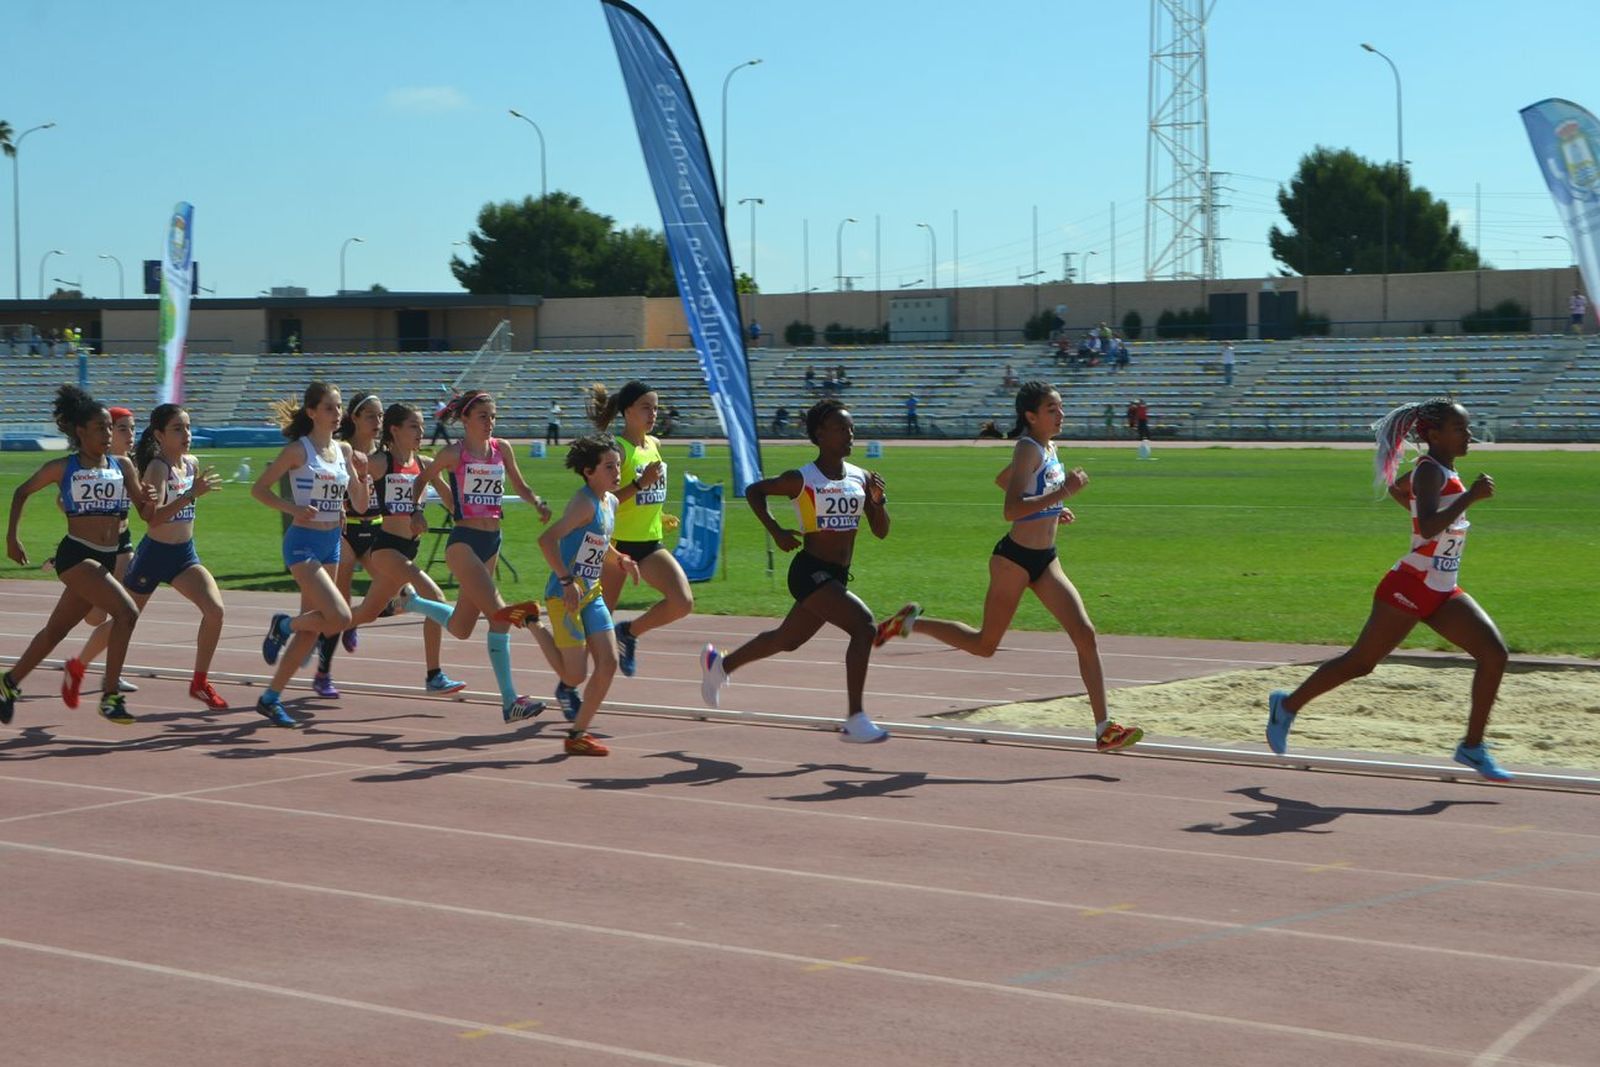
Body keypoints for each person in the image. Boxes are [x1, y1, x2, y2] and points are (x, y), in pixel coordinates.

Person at [874, 381, 1143, 753]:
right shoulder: (1027, 447)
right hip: (1014, 560)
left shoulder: (1048, 447)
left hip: (1046, 559)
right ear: (1031, 417)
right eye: (1052, 409)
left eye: (1060, 408)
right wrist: (1063, 493)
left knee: (1085, 633)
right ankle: (908, 622)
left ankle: (1104, 729)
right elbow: (1011, 509)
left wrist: (1051, 508)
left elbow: (1007, 482)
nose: (1061, 414)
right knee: (985, 645)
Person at [1267, 399, 1514, 781]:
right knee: (1362, 663)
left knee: (1494, 654)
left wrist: (1432, 511)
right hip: (1411, 586)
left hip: (1441, 588)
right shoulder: (1431, 472)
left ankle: (1472, 747)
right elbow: (1430, 526)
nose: (1470, 435)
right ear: (1434, 435)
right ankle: (1287, 705)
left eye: (1467, 428)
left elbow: (1405, 496)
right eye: (1460, 429)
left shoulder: (1437, 469)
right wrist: (1470, 498)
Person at [699, 397, 896, 743]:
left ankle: (720, 666)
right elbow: (754, 491)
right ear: (819, 433)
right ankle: (855, 717)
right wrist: (775, 531)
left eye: (851, 428)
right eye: (840, 428)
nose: (849, 434)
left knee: (786, 640)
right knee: (864, 626)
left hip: (835, 576)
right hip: (809, 571)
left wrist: (877, 502)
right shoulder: (801, 479)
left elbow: (881, 532)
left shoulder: (861, 478)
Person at [401, 389, 552, 725]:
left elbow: (521, 484)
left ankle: (411, 604)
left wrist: (537, 502)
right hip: (464, 543)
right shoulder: (453, 454)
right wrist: (415, 511)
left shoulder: (502, 449)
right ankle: (510, 701)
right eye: (483, 416)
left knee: (462, 626)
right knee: (499, 616)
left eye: (493, 417)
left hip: (492, 541)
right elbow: (421, 480)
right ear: (465, 419)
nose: (489, 422)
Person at [2, 385, 149, 725]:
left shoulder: (123, 466)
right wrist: (12, 538)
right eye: (100, 428)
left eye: (110, 427)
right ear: (80, 431)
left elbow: (145, 512)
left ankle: (9, 682)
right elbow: (22, 491)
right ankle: (110, 696)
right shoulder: (62, 467)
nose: (107, 433)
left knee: (56, 631)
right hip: (76, 556)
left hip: (107, 556)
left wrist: (152, 499)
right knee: (126, 614)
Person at [81, 404, 229, 709]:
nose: (186, 434)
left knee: (215, 611)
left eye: (188, 427)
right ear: (160, 435)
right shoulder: (157, 468)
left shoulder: (191, 463)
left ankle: (200, 682)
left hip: (184, 555)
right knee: (126, 618)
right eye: (177, 428)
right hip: (154, 555)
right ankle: (79, 663)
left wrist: (192, 492)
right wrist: (191, 495)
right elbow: (153, 518)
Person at [513, 434, 641, 756]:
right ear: (589, 471)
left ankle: (577, 734)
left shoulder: (609, 502)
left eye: (618, 466)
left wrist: (621, 559)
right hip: (565, 593)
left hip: (591, 592)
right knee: (574, 674)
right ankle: (531, 620)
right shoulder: (583, 502)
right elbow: (547, 540)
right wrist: (567, 581)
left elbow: (600, 541)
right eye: (609, 467)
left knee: (608, 663)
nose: (617, 473)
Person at [250, 383, 369, 727]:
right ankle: (282, 624)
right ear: (312, 412)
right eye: (330, 408)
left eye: (339, 407)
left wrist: (360, 476)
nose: (337, 414)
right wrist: (292, 509)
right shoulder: (298, 452)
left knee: (313, 630)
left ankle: (270, 698)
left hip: (331, 541)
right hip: (302, 543)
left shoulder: (344, 451)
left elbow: (360, 505)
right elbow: (258, 489)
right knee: (340, 617)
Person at [338, 402, 469, 695]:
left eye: (422, 426)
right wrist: (339, 504)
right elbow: (343, 474)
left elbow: (452, 504)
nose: (421, 432)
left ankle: (289, 628)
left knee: (362, 614)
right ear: (394, 431)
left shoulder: (423, 463)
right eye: (414, 426)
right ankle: (434, 676)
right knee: (434, 596)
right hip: (385, 550)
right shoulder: (381, 462)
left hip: (409, 550)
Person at [587, 381, 694, 692]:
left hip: (648, 544)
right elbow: (602, 501)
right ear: (627, 411)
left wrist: (658, 515)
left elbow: (646, 496)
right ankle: (571, 681)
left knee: (682, 602)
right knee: (598, 620)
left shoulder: (655, 445)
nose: (653, 414)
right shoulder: (618, 449)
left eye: (656, 408)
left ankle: (630, 632)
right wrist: (640, 485)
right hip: (616, 547)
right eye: (646, 407)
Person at [62, 405, 141, 701]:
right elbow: (62, 499)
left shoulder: (128, 463)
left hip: (123, 544)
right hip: (92, 547)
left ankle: (94, 669)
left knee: (126, 611)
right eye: (122, 429)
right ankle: (82, 665)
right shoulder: (92, 464)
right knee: (98, 616)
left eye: (133, 428)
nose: (129, 434)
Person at [316, 390, 384, 698]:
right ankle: (323, 673)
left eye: (381, 416)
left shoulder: (384, 453)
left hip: (375, 532)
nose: (377, 421)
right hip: (344, 533)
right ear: (353, 418)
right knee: (337, 607)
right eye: (371, 415)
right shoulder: (338, 452)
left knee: (392, 594)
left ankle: (352, 621)